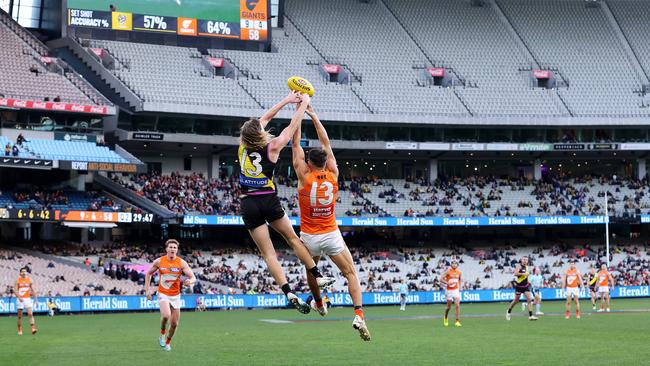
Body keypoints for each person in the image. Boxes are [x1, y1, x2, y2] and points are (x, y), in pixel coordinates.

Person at [238, 92, 333, 314]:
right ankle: (317, 275)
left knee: (269, 253)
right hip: (268, 200)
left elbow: (263, 120)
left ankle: (288, 292)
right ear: (259, 133)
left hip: (248, 203)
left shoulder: (242, 145)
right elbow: (292, 127)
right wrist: (301, 104)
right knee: (292, 238)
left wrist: (287, 100)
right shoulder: (272, 147)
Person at [292, 104, 370, 341]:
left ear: (308, 163)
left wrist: (299, 111)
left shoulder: (303, 175)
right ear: (325, 163)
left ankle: (319, 303)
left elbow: (295, 144)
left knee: (311, 270)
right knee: (350, 273)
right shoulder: (334, 175)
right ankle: (358, 314)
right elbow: (326, 144)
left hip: (309, 236)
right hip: (331, 233)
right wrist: (314, 115)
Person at [145, 239, 196, 352]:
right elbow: (148, 273)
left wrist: (189, 282)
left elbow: (193, 277)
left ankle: (168, 343)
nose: (172, 249)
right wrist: (147, 290)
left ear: (177, 250)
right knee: (166, 315)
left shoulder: (181, 263)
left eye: (175, 247)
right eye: (171, 247)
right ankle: (162, 333)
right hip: (163, 293)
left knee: (174, 324)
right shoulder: (159, 261)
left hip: (176, 295)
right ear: (166, 249)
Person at [506, 256, 538, 321]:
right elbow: (515, 273)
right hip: (519, 286)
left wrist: (528, 281)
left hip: (525, 286)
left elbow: (526, 276)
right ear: (521, 260)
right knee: (516, 301)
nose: (525, 261)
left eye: (526, 260)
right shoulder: (519, 266)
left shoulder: (527, 267)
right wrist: (524, 274)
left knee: (529, 300)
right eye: (524, 259)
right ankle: (508, 312)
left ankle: (531, 316)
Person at [15, 267, 38, 335]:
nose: (24, 272)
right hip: (20, 300)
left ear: (26, 272)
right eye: (22, 271)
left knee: (30, 314)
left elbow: (33, 290)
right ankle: (19, 329)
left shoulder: (30, 280)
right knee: (20, 316)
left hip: (27, 299)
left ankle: (33, 328)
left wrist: (36, 300)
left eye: (25, 271)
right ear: (20, 273)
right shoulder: (17, 281)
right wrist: (19, 297)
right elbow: (15, 290)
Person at [441, 260, 462, 327]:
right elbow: (441, 279)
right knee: (448, 307)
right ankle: (446, 317)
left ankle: (457, 321)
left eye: (455, 263)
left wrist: (460, 287)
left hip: (455, 290)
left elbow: (460, 279)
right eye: (453, 263)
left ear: (457, 265)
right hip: (449, 290)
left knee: (457, 305)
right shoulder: (448, 271)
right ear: (451, 265)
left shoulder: (459, 272)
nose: (454, 264)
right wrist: (447, 283)